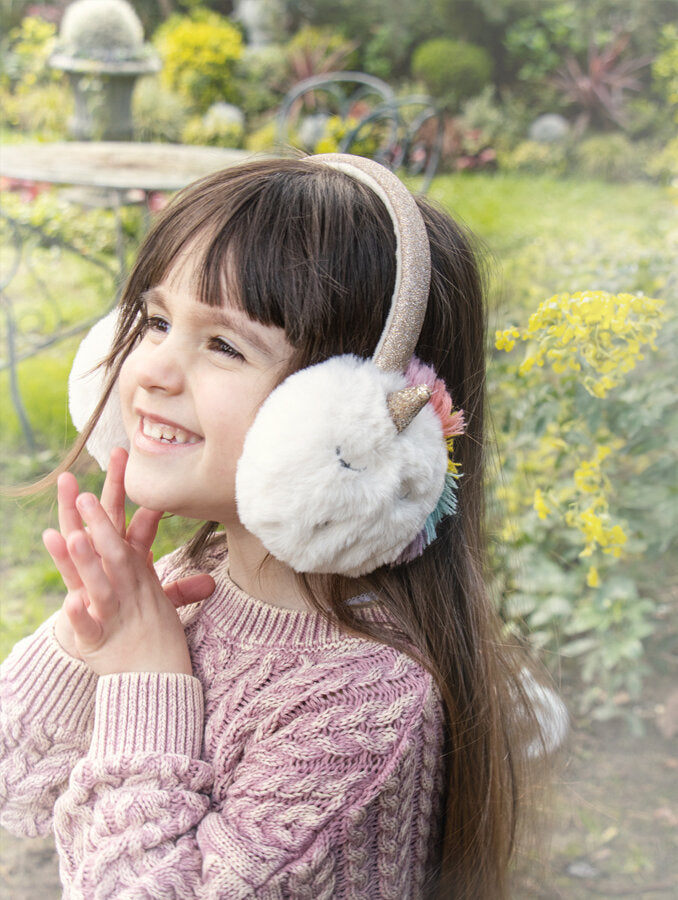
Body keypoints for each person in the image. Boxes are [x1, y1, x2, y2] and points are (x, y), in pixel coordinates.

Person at [0, 154, 565, 899]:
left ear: (352, 430)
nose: (152, 370)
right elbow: (16, 779)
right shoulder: (195, 581)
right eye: (157, 321)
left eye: (224, 345)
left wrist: (145, 678)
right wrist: (88, 641)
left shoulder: (365, 705)